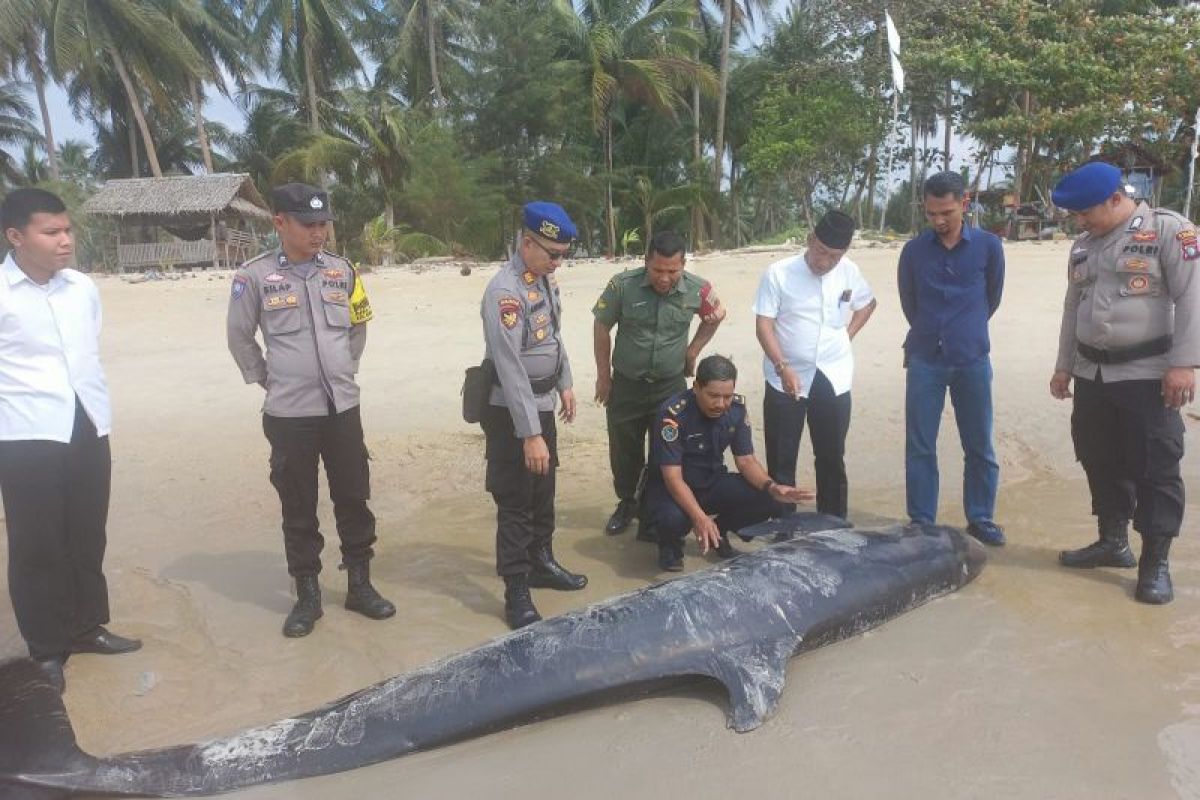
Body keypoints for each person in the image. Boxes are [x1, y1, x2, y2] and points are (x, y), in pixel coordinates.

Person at [227, 183, 395, 638]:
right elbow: (240, 337)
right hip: (288, 415)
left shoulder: (344, 272)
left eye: (323, 224)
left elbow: (358, 326)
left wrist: (346, 369)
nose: (318, 233)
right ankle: (308, 597)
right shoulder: (254, 276)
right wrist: (267, 378)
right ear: (280, 222)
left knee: (354, 498)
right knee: (298, 506)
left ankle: (360, 586)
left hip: (342, 407)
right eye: (308, 224)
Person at [0, 188, 141, 694]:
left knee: (87, 532)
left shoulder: (81, 288)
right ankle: (46, 648)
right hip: (25, 432)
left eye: (67, 230)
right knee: (37, 543)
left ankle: (86, 627)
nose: (65, 241)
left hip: (87, 423)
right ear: (16, 236)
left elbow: (88, 348)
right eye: (51, 232)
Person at [1049, 161, 1199, 605]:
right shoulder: (1082, 246)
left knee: (1155, 466)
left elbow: (1193, 296)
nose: (1080, 221)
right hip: (1093, 373)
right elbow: (1073, 308)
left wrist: (1186, 364)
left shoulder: (1170, 231)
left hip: (1148, 373)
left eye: (1086, 212)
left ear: (1116, 199)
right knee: (1098, 456)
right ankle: (1113, 542)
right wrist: (1064, 365)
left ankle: (1156, 561)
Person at [480, 201, 587, 630]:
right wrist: (529, 434)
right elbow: (509, 367)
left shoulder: (541, 279)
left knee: (543, 492)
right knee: (516, 502)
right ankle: (516, 591)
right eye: (552, 253)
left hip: (541, 406)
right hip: (512, 415)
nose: (558, 263)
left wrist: (565, 382)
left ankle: (542, 561)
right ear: (527, 243)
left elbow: (553, 338)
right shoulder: (504, 292)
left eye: (563, 254)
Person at [593, 230, 726, 538]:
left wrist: (693, 351)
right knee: (624, 449)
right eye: (658, 270)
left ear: (683, 265)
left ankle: (653, 511)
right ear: (646, 262)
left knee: (665, 450)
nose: (665, 278)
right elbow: (601, 325)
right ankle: (627, 503)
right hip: (626, 385)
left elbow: (717, 314)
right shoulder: (621, 286)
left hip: (670, 387)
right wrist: (603, 375)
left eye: (672, 271)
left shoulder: (698, 289)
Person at [898, 171, 1006, 546]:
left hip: (972, 357)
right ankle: (922, 520)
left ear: (965, 202)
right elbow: (909, 303)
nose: (939, 220)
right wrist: (934, 331)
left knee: (979, 444)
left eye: (946, 212)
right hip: (925, 358)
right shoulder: (913, 252)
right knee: (920, 444)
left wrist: (963, 330)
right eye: (931, 214)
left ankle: (980, 517)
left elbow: (992, 297)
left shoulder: (990, 247)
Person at [754, 210, 876, 520]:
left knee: (832, 454)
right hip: (785, 375)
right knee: (782, 457)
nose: (824, 261)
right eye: (820, 251)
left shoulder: (848, 270)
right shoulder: (778, 273)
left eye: (833, 256)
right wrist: (782, 366)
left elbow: (867, 304)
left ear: (844, 253)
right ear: (810, 240)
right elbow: (764, 324)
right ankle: (783, 525)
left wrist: (846, 336)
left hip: (833, 375)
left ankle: (832, 523)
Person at [645, 355, 812, 572]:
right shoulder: (674, 414)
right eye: (713, 396)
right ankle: (670, 546)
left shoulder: (735, 410)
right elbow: (672, 478)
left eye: (727, 396)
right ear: (696, 387)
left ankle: (720, 530)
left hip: (712, 481)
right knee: (671, 519)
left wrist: (772, 486)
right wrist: (700, 518)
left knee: (771, 499)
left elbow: (746, 461)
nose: (721, 404)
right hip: (674, 490)